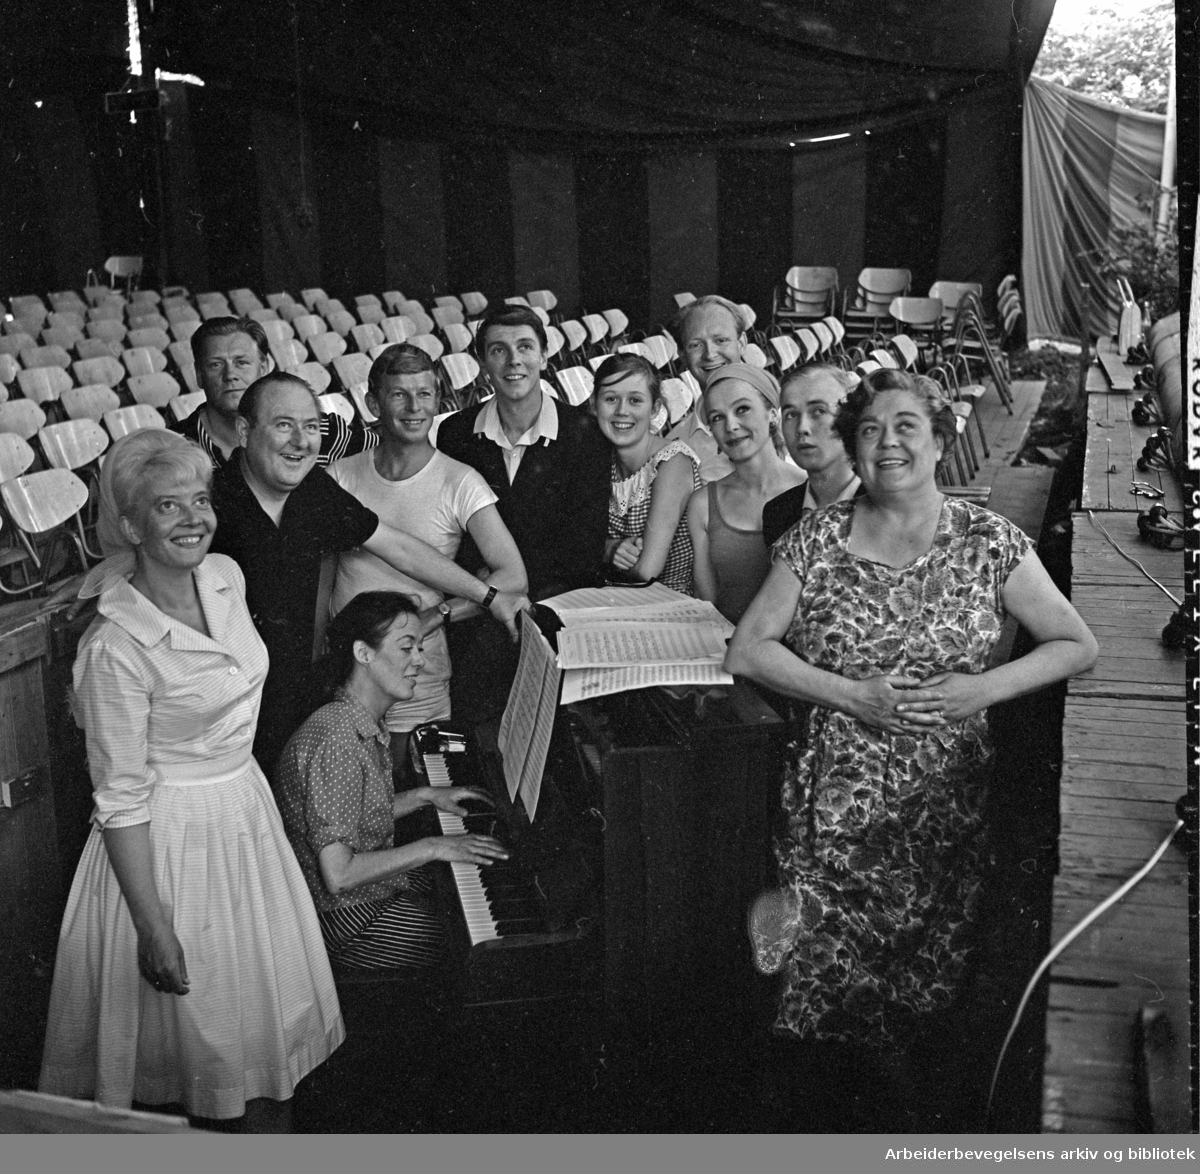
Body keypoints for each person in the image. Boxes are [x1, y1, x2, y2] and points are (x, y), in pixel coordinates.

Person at [725, 368, 1098, 1128]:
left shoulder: (988, 540)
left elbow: (1075, 643)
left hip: (942, 813)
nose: (886, 443)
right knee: (820, 1004)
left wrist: (979, 691)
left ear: (940, 438)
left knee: (922, 1002)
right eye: (868, 429)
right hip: (831, 811)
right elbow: (748, 650)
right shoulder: (817, 539)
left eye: (905, 427)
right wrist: (848, 694)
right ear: (852, 448)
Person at [39, 430, 344, 1131]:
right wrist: (153, 926)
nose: (192, 518)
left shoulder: (225, 577)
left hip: (245, 818)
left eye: (200, 500)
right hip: (169, 851)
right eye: (167, 506)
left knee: (262, 1045)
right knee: (198, 1055)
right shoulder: (113, 647)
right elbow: (118, 800)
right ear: (130, 525)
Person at [208, 372, 529, 776]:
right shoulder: (208, 505)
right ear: (243, 430)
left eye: (310, 427)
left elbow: (398, 547)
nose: (300, 440)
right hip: (227, 708)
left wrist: (487, 596)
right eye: (283, 425)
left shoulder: (311, 490)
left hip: (292, 695)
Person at [276, 591, 508, 971]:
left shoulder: (356, 717)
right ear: (364, 654)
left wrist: (423, 796)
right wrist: (434, 844)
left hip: (360, 895)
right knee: (479, 951)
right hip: (343, 917)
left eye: (421, 647)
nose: (421, 660)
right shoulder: (337, 738)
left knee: (463, 888)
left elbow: (353, 811)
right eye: (407, 649)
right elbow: (339, 875)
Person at [327, 345, 526, 745]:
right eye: (399, 394)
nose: (414, 407)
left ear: (438, 400)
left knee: (417, 783)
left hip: (419, 671)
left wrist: (437, 616)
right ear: (372, 403)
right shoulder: (339, 476)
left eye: (424, 394)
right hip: (346, 668)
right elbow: (324, 580)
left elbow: (513, 577)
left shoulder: (460, 481)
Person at [435, 303, 609, 720]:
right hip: (476, 606)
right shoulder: (456, 433)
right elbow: (450, 532)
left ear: (545, 356)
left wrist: (508, 595)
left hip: (552, 608)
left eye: (525, 347)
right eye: (498, 350)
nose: (514, 361)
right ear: (481, 362)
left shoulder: (585, 436)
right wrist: (489, 591)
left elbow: (582, 548)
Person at [685, 363, 806, 622]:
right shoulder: (702, 504)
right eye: (717, 417)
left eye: (742, 409)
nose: (731, 425)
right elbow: (707, 603)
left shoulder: (810, 490)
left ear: (773, 415)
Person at [173, 315, 373, 467]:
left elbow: (385, 452)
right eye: (216, 364)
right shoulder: (174, 448)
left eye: (241, 362)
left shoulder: (319, 430)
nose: (230, 375)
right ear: (199, 375)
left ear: (263, 367)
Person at [591, 352, 701, 593]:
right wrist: (608, 548)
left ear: (655, 409)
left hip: (668, 602)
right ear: (593, 404)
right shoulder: (598, 459)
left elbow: (646, 571)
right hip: (615, 596)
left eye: (635, 400)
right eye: (610, 399)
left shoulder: (672, 462)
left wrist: (596, 553)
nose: (622, 411)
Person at [762, 364, 865, 548]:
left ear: (850, 417)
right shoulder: (777, 512)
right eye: (791, 414)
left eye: (819, 411)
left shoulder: (884, 504)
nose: (802, 427)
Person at [665, 295, 756, 484]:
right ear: (682, 355)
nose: (710, 354)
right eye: (695, 345)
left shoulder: (786, 415)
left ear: (741, 343)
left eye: (721, 340)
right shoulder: (676, 447)